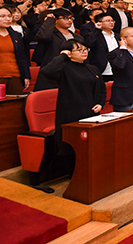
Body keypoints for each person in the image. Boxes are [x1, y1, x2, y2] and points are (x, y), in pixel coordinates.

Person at [39, 39, 105, 168]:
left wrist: (101, 103)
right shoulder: (64, 68)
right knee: (72, 148)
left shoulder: (92, 68)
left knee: (91, 147)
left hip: (91, 114)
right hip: (71, 115)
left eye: (85, 49)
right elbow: (47, 72)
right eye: (79, 50)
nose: (84, 52)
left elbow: (102, 89)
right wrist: (62, 56)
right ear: (69, 53)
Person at [0, 6, 31, 94]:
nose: (7, 19)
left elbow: (22, 57)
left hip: (15, 76)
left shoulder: (16, 35)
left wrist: (26, 76)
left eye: (9, 16)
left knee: (15, 101)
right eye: (2, 16)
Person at [34, 9, 75, 89]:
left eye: (70, 18)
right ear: (56, 20)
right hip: (53, 73)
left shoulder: (76, 36)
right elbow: (43, 37)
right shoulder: (51, 35)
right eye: (65, 18)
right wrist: (50, 20)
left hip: (71, 73)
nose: (69, 21)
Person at [87, 13, 119, 82]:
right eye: (108, 21)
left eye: (112, 20)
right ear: (99, 23)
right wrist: (97, 30)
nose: (111, 23)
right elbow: (89, 44)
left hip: (117, 70)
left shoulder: (117, 36)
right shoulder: (94, 35)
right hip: (101, 71)